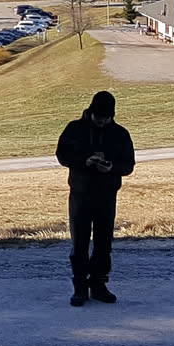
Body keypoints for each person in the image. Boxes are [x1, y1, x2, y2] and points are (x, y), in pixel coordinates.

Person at [55, 90, 135, 304]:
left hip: (107, 196)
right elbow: (62, 155)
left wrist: (111, 167)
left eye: (106, 118)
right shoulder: (75, 129)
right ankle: (80, 286)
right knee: (79, 243)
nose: (102, 121)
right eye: (99, 117)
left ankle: (99, 284)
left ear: (112, 116)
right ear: (91, 111)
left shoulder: (120, 134)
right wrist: (85, 162)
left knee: (104, 243)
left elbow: (128, 165)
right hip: (80, 195)